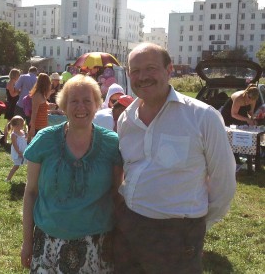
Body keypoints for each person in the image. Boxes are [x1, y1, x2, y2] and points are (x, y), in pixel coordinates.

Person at [113, 43, 237, 274]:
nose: (143, 77)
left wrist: (197, 225)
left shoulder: (202, 117)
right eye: (135, 71)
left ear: (169, 70)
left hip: (177, 235)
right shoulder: (126, 119)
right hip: (128, 226)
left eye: (151, 68)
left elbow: (224, 181)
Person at [21, 74, 123, 273]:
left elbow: (117, 195)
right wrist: (27, 242)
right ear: (63, 105)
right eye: (73, 101)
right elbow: (31, 192)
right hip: (48, 243)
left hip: (97, 245)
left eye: (87, 101)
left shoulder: (112, 143)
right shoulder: (45, 139)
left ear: (97, 105)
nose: (81, 107)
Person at [28, 73, 55, 140]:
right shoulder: (38, 95)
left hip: (42, 125)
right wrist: (32, 128)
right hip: (37, 126)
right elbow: (34, 112)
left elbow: (42, 109)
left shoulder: (42, 95)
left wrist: (49, 106)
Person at [5, 115, 27, 182]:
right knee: (16, 166)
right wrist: (19, 152)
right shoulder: (14, 134)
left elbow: (25, 140)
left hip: (24, 151)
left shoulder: (23, 132)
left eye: (22, 124)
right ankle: (8, 179)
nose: (21, 126)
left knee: (30, 165)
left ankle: (29, 179)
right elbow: (14, 145)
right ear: (14, 125)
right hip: (18, 152)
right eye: (19, 125)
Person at [3, 68, 21, 144]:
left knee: (13, 122)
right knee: (9, 122)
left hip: (14, 104)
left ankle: (12, 138)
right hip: (11, 104)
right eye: (18, 74)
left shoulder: (14, 83)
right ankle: (5, 139)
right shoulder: (10, 83)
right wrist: (20, 92)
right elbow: (12, 94)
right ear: (15, 75)